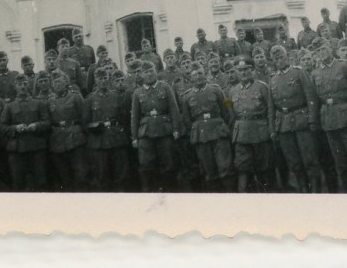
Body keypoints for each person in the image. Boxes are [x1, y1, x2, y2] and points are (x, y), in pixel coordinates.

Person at [311, 39, 347, 193]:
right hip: (329, 120)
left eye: (323, 49)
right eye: (318, 52)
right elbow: (316, 98)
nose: (321, 53)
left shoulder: (344, 66)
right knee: (340, 161)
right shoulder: (315, 73)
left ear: (330, 49)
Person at [268, 45, 322, 193]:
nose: (279, 60)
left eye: (281, 57)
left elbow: (311, 98)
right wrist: (272, 129)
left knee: (310, 159)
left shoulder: (299, 72)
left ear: (288, 57)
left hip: (302, 121)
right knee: (294, 162)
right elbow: (271, 107)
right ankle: (303, 191)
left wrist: (312, 120)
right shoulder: (272, 79)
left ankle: (316, 192)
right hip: (284, 125)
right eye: (276, 58)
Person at [180, 62, 235, 192]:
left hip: (219, 132)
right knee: (209, 170)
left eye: (200, 73)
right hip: (201, 135)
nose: (198, 76)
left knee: (226, 167)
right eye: (195, 74)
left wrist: (224, 127)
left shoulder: (216, 89)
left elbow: (227, 110)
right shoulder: (186, 97)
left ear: (205, 73)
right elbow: (187, 120)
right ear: (190, 77)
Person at [130, 61, 182, 193]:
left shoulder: (165, 87)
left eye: (151, 71)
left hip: (165, 131)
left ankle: (170, 193)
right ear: (141, 75)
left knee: (168, 164)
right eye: (146, 72)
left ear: (156, 72)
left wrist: (176, 129)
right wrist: (134, 137)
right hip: (146, 133)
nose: (149, 74)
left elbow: (174, 109)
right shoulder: (137, 93)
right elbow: (135, 116)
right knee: (147, 165)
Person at [228, 58, 276, 193]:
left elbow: (270, 109)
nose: (243, 73)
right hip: (241, 135)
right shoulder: (231, 91)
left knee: (264, 168)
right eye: (240, 70)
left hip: (260, 132)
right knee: (242, 167)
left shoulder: (262, 87)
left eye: (246, 69)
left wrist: (271, 130)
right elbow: (230, 113)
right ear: (236, 72)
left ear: (252, 70)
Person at [82, 65, 132, 192]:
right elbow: (85, 123)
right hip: (99, 142)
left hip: (116, 139)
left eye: (105, 78)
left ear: (108, 79)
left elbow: (124, 118)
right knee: (102, 175)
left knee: (121, 174)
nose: (103, 81)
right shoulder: (90, 100)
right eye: (100, 79)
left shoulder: (116, 96)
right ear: (95, 81)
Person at [0, 74, 50, 192]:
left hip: (36, 148)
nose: (22, 87)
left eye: (25, 84)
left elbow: (47, 122)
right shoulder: (9, 106)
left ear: (29, 85)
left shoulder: (38, 103)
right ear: (15, 87)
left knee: (40, 182)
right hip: (17, 151)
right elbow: (2, 127)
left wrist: (36, 126)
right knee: (18, 184)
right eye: (19, 84)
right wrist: (15, 128)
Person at [46, 69, 88, 191]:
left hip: (75, 138)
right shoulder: (50, 100)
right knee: (64, 175)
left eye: (59, 81)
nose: (56, 84)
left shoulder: (75, 96)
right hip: (58, 140)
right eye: (54, 82)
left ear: (65, 82)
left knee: (80, 172)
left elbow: (83, 117)